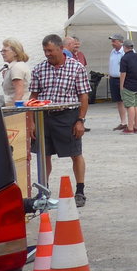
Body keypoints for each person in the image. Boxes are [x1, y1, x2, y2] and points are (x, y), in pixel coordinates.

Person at [29, 33, 91, 207]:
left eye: (50, 50)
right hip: (43, 118)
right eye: (45, 51)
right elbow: (32, 97)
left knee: (75, 153)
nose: (47, 54)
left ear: (61, 49)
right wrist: (31, 122)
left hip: (68, 117)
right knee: (43, 155)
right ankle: (43, 192)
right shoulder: (39, 69)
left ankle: (80, 192)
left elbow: (83, 97)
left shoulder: (76, 68)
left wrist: (80, 121)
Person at [119, 41, 137, 134]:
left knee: (130, 106)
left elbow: (123, 73)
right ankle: (136, 127)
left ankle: (130, 128)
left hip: (128, 85)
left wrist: (121, 85)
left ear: (125, 47)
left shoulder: (124, 58)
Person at [65, 36, 91, 130]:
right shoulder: (67, 54)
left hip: (80, 83)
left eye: (77, 43)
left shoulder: (80, 54)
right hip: (72, 86)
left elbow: (84, 66)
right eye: (74, 44)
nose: (76, 45)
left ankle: (81, 122)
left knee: (83, 102)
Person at [0, 38, 31, 106]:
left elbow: (19, 93)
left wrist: (12, 110)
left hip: (18, 108)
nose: (2, 53)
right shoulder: (15, 66)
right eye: (1, 51)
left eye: (5, 51)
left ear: (15, 52)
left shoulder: (16, 67)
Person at [108, 35, 129, 131]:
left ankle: (131, 122)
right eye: (112, 41)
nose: (112, 43)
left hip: (123, 79)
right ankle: (123, 122)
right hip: (113, 78)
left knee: (126, 100)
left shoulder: (125, 53)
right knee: (119, 101)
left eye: (114, 41)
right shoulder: (113, 51)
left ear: (120, 42)